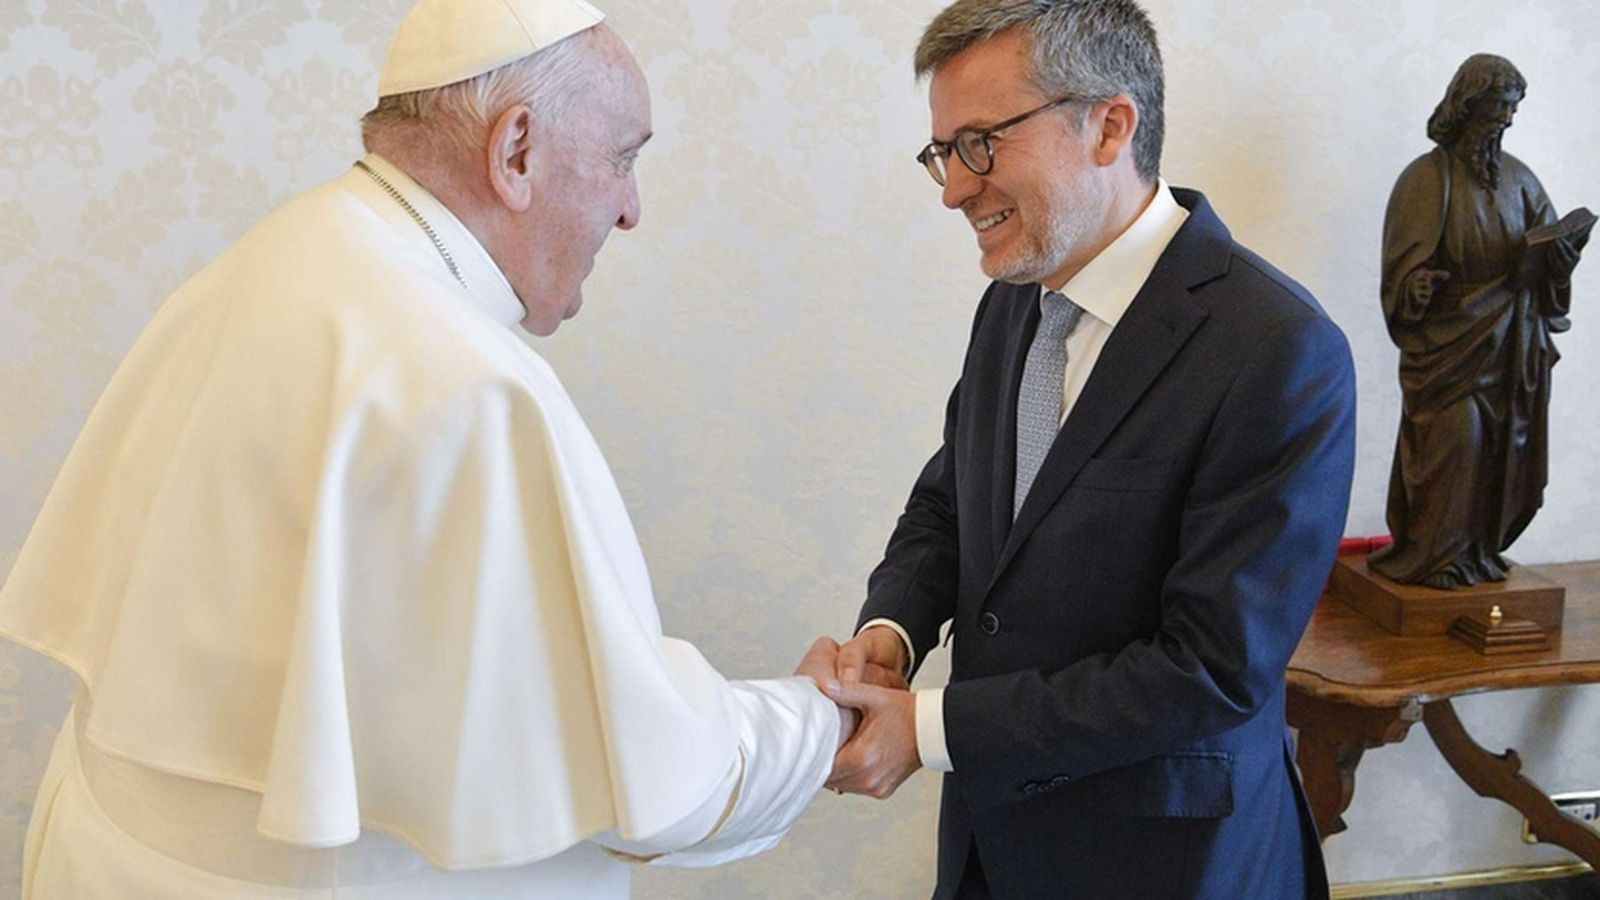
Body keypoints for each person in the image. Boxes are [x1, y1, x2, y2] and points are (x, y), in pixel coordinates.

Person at [0, 1, 861, 896]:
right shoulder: (467, 385)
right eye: (623, 158)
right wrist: (818, 721)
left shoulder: (270, 258)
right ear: (516, 150)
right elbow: (647, 778)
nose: (631, 208)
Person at [809, 1, 1355, 896]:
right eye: (943, 152)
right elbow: (954, 503)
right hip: (990, 845)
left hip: (1169, 863)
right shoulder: (1015, 297)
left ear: (1110, 126)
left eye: (981, 142)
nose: (954, 188)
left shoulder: (1280, 350)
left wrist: (933, 730)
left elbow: (1211, 669)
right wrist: (890, 633)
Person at [1367, 54, 1587, 589]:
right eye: (1497, 107)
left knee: (1498, 453)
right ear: (1468, 104)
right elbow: (1401, 272)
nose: (1506, 121)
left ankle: (1477, 553)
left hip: (1511, 340)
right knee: (1457, 444)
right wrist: (1413, 289)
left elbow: (1548, 249)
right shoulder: (1426, 179)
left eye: (1513, 110)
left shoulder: (1521, 180)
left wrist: (1559, 259)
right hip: (1450, 345)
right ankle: (1435, 557)